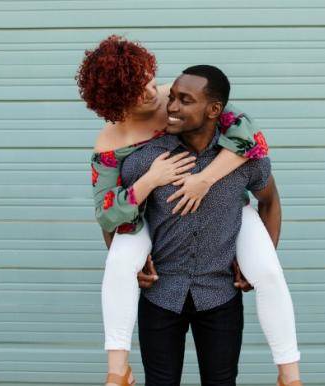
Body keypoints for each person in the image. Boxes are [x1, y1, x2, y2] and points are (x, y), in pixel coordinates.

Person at [79, 36, 300, 386]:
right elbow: (107, 214)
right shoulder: (111, 142)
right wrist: (149, 181)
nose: (152, 94)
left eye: (148, 78)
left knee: (269, 271)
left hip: (224, 208)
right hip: (145, 215)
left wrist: (205, 179)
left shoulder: (180, 94)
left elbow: (249, 138)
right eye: (135, 93)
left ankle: (290, 376)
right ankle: (117, 372)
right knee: (120, 263)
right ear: (117, 103)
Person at [122, 64, 288, 386]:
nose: (171, 107)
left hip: (220, 296)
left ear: (214, 110)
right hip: (160, 295)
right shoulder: (148, 159)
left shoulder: (245, 161)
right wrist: (130, 261)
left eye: (185, 100)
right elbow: (114, 211)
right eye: (171, 98)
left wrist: (259, 261)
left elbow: (270, 202)